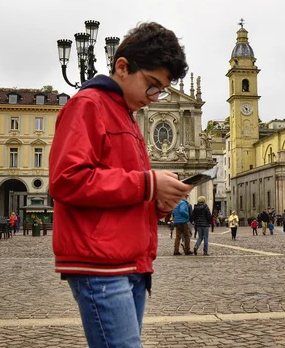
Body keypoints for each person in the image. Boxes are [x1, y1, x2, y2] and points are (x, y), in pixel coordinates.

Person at [48, 22, 192, 347]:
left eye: (161, 91)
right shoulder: (88, 105)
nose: (154, 98)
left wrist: (156, 204)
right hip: (100, 265)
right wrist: (147, 185)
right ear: (123, 66)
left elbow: (120, 193)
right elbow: (66, 179)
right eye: (152, 85)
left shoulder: (125, 114)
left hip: (132, 264)